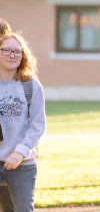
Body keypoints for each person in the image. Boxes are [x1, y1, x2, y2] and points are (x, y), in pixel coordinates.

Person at [0, 32, 46, 212]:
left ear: (23, 56)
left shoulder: (31, 85)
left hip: (22, 163)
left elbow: (38, 126)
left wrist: (20, 152)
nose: (12, 55)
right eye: (6, 50)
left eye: (17, 52)